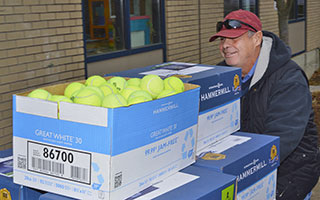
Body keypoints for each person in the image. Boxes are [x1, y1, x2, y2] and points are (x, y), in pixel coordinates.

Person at [209, 9, 320, 200]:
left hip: (288, 177)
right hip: (242, 172)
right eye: (222, 40)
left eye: (234, 38)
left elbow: (278, 142)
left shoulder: (288, 79)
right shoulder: (222, 78)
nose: (225, 45)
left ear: (257, 38)